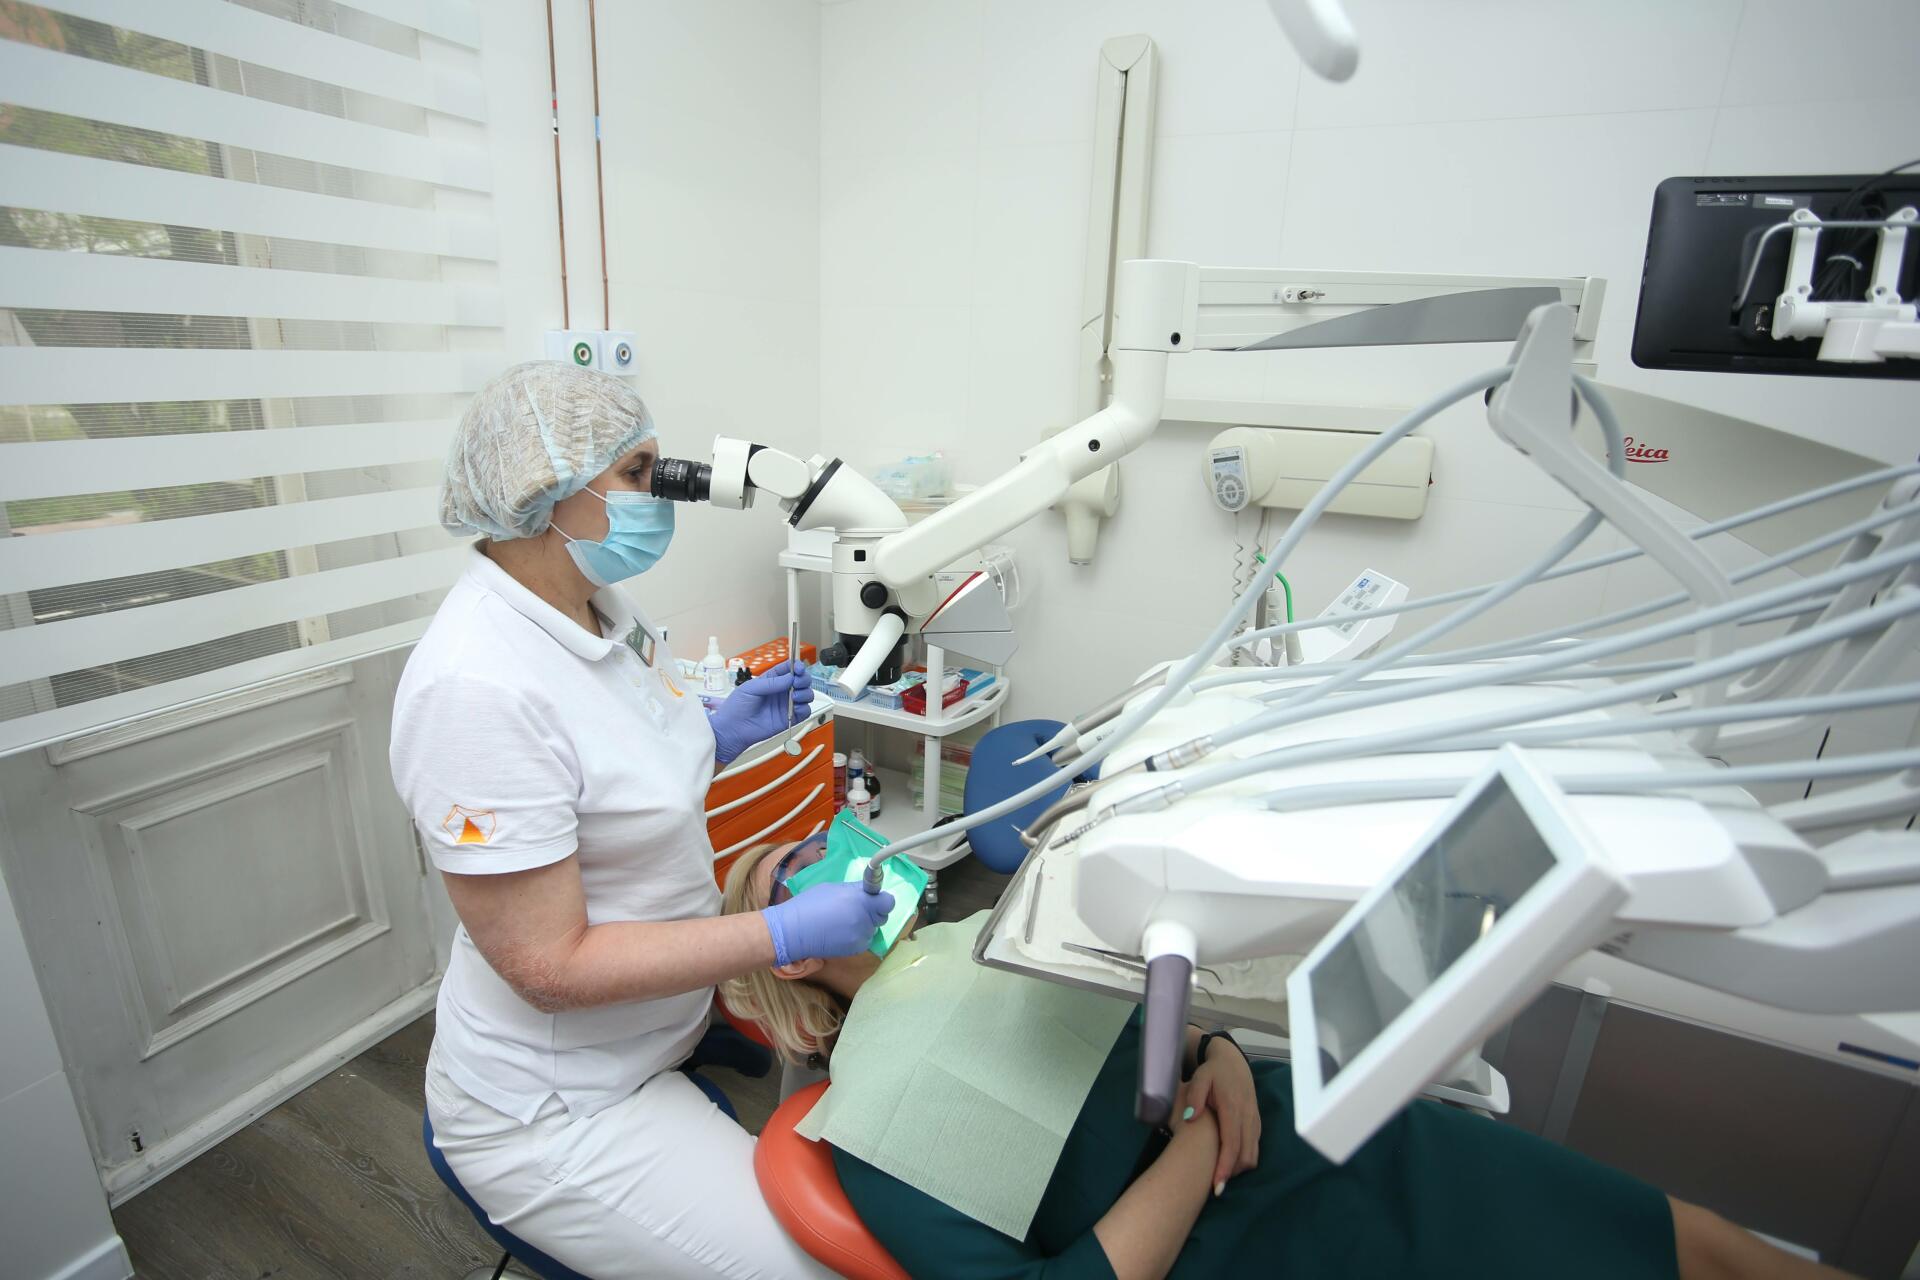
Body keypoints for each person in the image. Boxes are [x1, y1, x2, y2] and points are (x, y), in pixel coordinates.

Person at [719, 841, 1860, 1280]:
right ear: (788, 955)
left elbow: (1133, 1018)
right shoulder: (867, 1126)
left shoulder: (985, 931)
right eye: (791, 879)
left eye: (821, 842)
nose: (829, 859)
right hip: (1231, 1238)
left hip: (1311, 1123)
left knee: (1678, 1235)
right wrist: (1202, 1139)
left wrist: (1213, 1048)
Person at [391, 361, 894, 1279]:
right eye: (637, 472)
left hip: (653, 1030)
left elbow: (611, 776)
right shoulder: (474, 688)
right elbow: (551, 967)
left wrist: (714, 734)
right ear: (542, 489)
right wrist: (777, 933)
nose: (662, 494)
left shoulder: (595, 609)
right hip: (560, 1108)